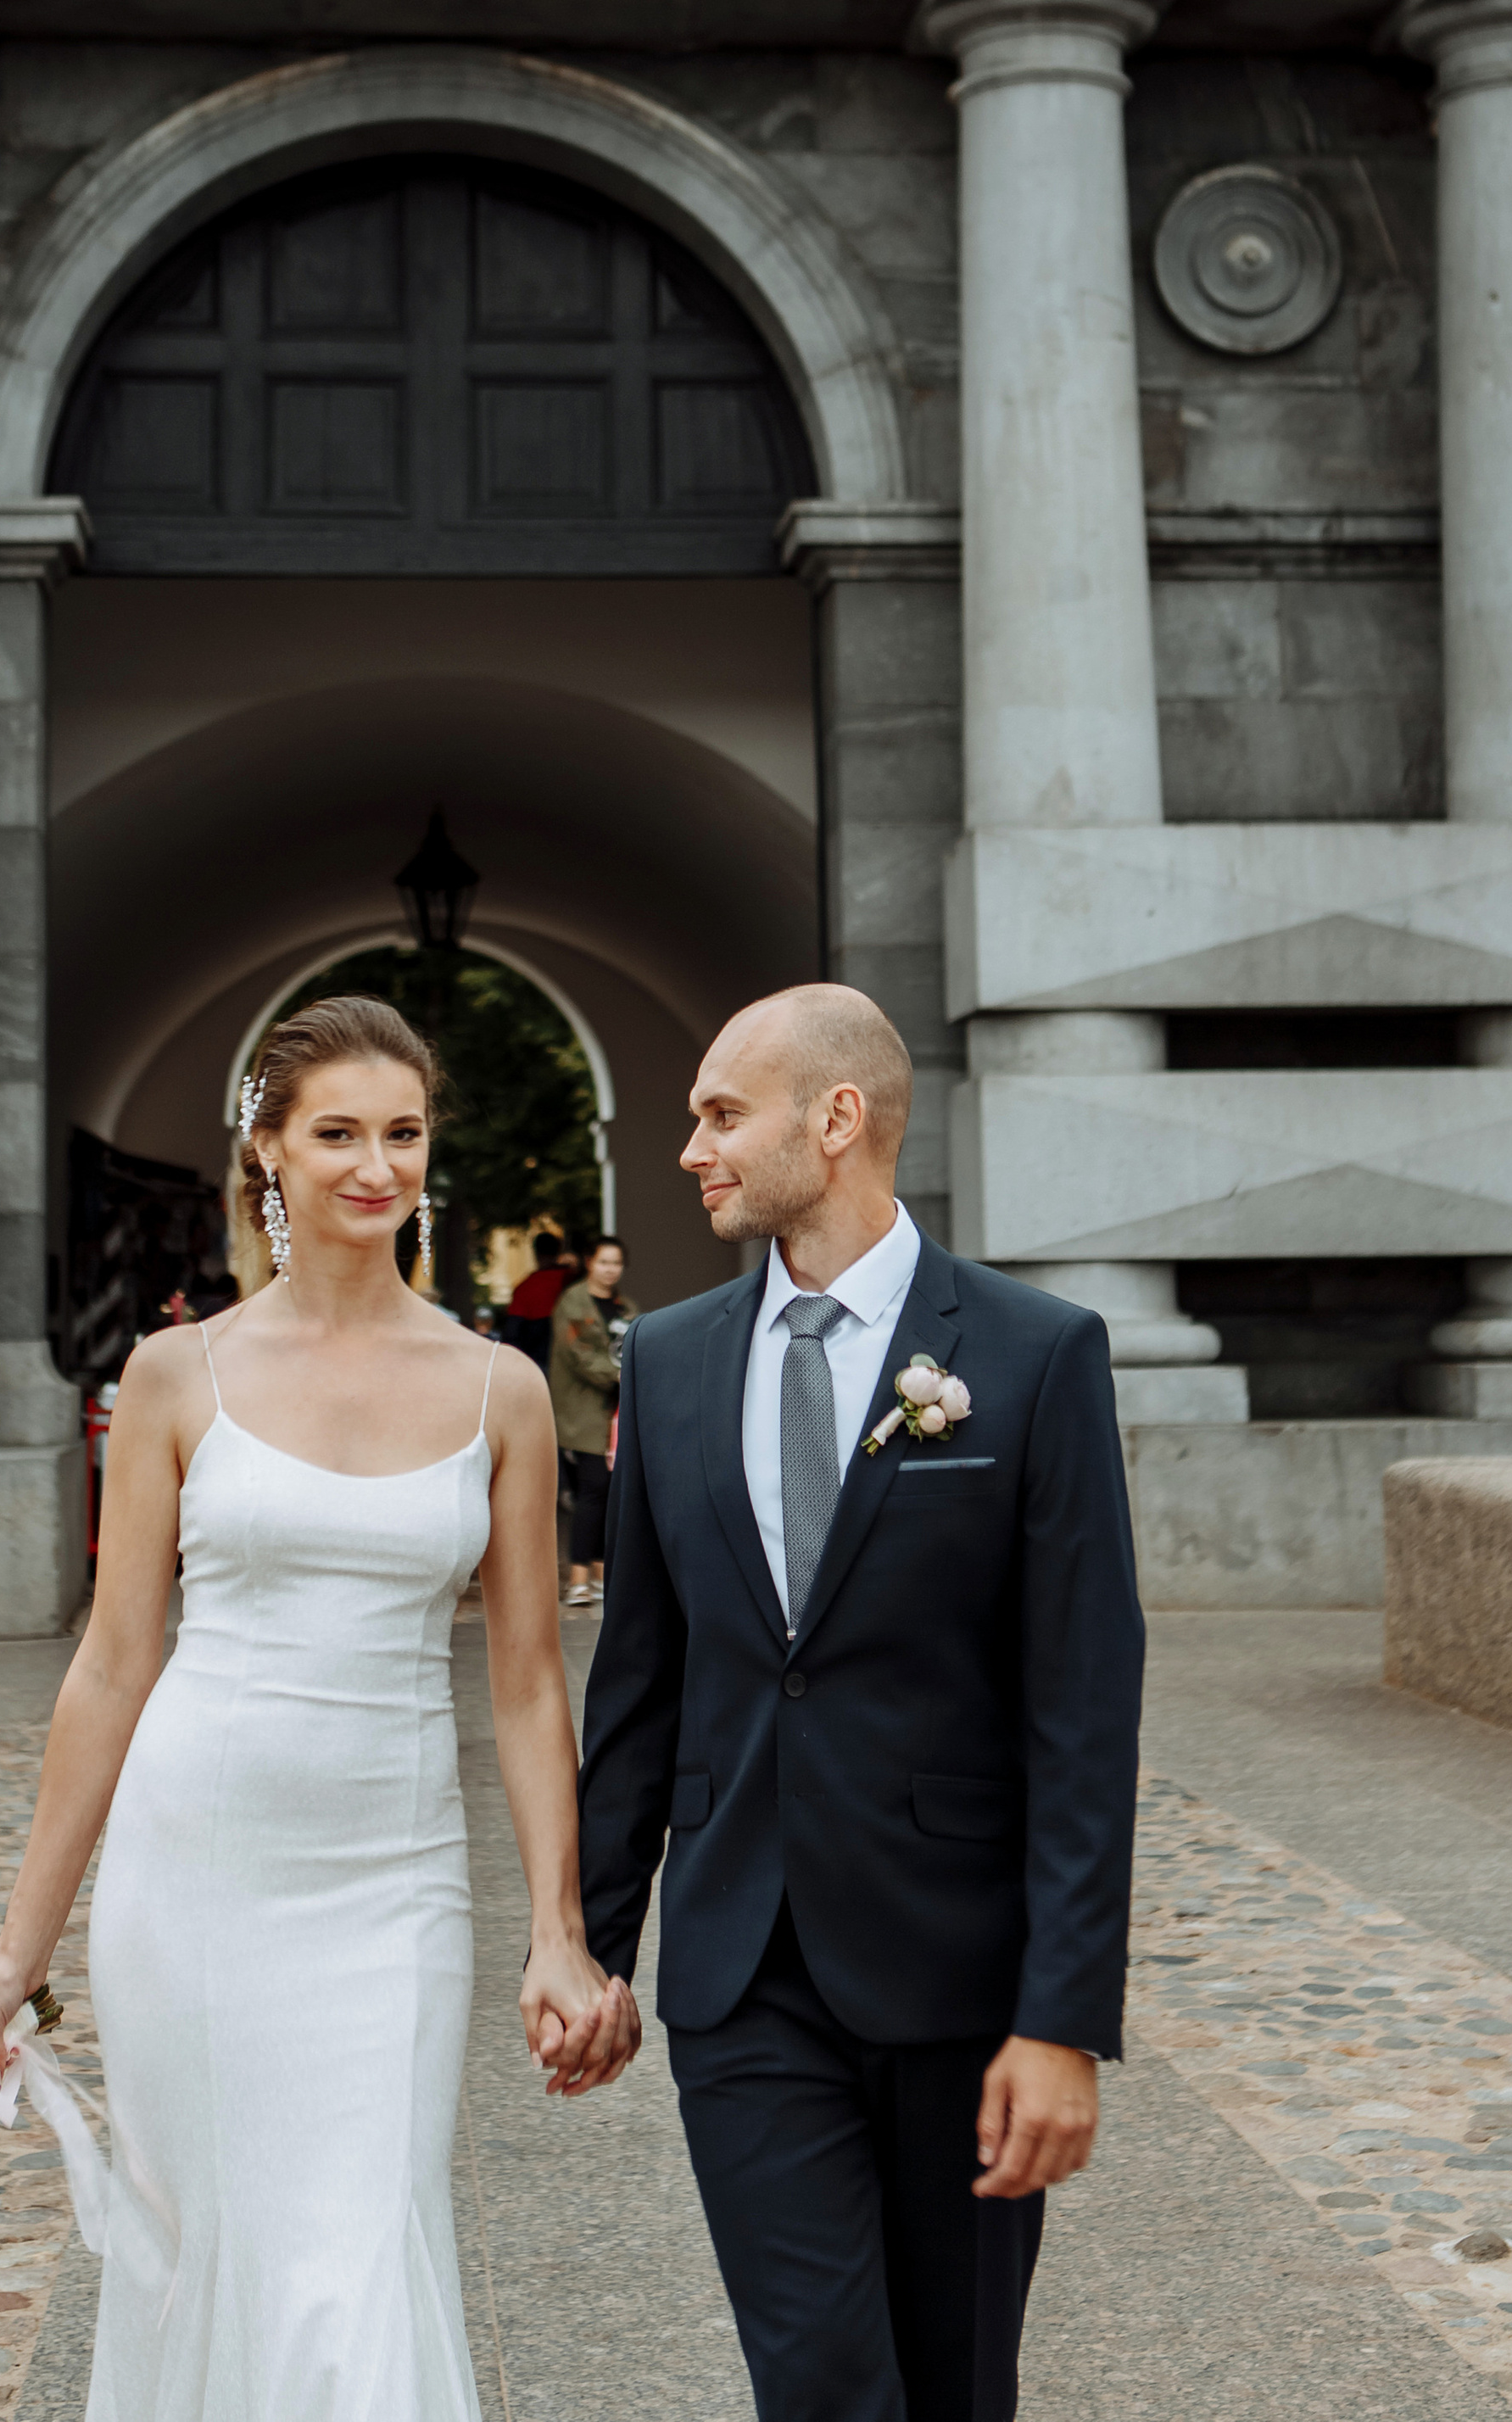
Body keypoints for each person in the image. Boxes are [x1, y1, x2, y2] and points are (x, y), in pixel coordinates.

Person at [0, 996, 640, 2421]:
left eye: (403, 1132)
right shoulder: (173, 1374)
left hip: (393, 1886)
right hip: (191, 1873)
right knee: (208, 2262)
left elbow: (522, 1685)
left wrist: (559, 1935)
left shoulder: (499, 1388)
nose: (375, 1165)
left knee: (359, 2258)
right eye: (336, 1133)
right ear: (269, 1149)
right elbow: (115, 1665)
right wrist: (20, 1954)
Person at [577, 984, 1143, 2422]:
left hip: (963, 1979)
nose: (693, 1148)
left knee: (955, 2385)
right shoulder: (671, 1358)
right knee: (824, 2383)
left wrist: (1062, 2018)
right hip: (741, 1972)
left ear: (835, 1122)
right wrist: (589, 1945)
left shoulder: (1033, 1354)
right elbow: (641, 1679)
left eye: (720, 1114)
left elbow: (1082, 1710)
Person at [548, 1235, 632, 1608]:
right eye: (603, 1262)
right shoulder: (573, 1303)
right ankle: (578, 1579)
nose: (610, 1269)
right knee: (593, 1490)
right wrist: (621, 1374)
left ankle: (600, 1574)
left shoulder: (625, 1306)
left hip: (616, 1417)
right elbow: (581, 1357)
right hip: (583, 1414)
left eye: (616, 1263)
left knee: (611, 1493)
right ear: (589, 1262)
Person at [499, 1231, 570, 1374]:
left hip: (536, 1359)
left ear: (535, 1253)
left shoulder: (524, 1288)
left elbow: (512, 1333)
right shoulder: (573, 1280)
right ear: (558, 1251)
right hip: (567, 1358)